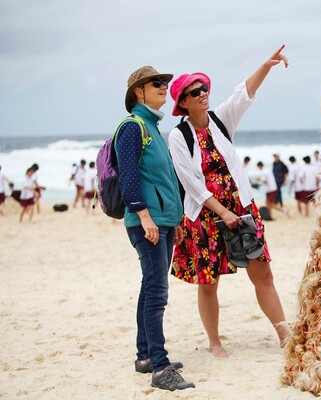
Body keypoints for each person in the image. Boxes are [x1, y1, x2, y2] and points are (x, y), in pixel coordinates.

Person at [168, 45, 290, 358]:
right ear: (182, 102)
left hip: (243, 208)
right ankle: (214, 342)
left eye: (203, 88)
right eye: (194, 92)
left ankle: (284, 332)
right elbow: (191, 184)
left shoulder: (220, 120)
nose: (202, 93)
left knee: (262, 273)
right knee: (208, 282)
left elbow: (242, 94)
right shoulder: (178, 137)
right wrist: (222, 211)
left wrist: (266, 66)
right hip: (206, 216)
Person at [117, 65, 193, 391]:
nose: (164, 87)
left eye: (165, 83)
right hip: (148, 223)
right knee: (158, 293)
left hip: (163, 221)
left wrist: (177, 216)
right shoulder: (133, 127)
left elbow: (164, 178)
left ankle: (145, 356)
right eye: (157, 83)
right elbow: (129, 178)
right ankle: (160, 368)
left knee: (151, 287)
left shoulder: (153, 128)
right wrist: (145, 217)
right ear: (139, 92)